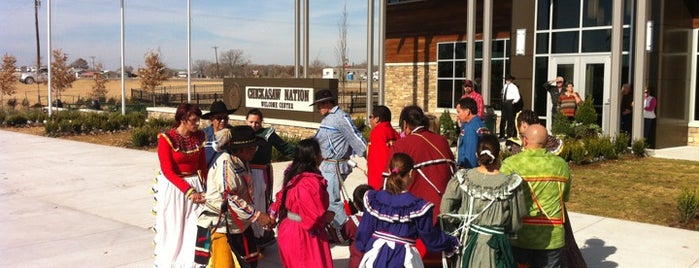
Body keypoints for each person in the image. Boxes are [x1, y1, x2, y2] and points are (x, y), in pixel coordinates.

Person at [355, 153, 460, 267]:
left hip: (376, 256)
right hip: (403, 259)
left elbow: (364, 232)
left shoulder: (375, 199)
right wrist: (452, 242)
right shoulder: (418, 206)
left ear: (389, 171)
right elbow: (430, 239)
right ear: (411, 173)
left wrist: (366, 249)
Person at [441, 133, 527, 268]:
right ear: (499, 155)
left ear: (477, 155)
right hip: (497, 246)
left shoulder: (463, 178)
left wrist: (456, 229)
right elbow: (516, 221)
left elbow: (445, 211)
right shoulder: (510, 184)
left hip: (469, 244)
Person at [194, 128, 275, 267]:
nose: (255, 150)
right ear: (239, 150)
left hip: (239, 224)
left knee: (247, 263)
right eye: (251, 147)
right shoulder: (226, 164)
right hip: (221, 225)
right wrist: (257, 216)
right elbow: (229, 197)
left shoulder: (242, 162)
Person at [387, 105, 456, 265]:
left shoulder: (402, 145)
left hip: (415, 219)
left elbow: (387, 183)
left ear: (405, 124)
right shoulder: (442, 141)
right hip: (443, 213)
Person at [501, 124, 572, 268]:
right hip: (552, 236)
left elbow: (502, 198)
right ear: (546, 143)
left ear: (525, 141)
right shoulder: (561, 165)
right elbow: (564, 197)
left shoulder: (510, 164)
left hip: (521, 235)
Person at [152, 102, 207, 267]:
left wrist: (207, 188)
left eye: (198, 120)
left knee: (196, 226)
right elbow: (167, 171)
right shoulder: (166, 139)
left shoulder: (199, 137)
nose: (197, 124)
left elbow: (202, 166)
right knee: (175, 229)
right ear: (183, 119)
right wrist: (189, 191)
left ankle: (191, 263)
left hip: (196, 186)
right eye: (194, 120)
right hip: (175, 188)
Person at [268, 138, 334, 268]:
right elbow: (313, 217)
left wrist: (272, 215)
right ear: (315, 157)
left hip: (288, 229)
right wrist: (326, 217)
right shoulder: (310, 183)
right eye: (320, 153)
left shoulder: (293, 174)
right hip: (303, 234)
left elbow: (280, 198)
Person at [312, 89, 368, 232]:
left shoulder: (341, 118)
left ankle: (346, 231)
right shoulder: (328, 118)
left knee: (332, 201)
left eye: (320, 104)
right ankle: (334, 229)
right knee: (325, 199)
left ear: (328, 103)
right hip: (325, 165)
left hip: (335, 166)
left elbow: (356, 139)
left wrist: (368, 155)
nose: (318, 108)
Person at [245, 108, 296, 247]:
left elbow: (284, 148)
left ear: (261, 122)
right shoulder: (242, 134)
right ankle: (249, 236)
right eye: (251, 122)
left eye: (257, 122)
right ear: (246, 121)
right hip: (245, 174)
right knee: (247, 204)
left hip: (262, 173)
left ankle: (261, 235)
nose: (254, 125)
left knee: (262, 203)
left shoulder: (267, 134)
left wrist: (303, 153)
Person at [367, 105, 399, 189]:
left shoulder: (377, 133)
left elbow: (381, 159)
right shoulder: (395, 133)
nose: (370, 120)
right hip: (394, 177)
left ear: (377, 119)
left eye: (371, 117)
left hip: (379, 181)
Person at [344, 184, 374, 268]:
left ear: (355, 204)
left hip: (358, 262)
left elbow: (341, 237)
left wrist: (330, 225)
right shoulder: (380, 219)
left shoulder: (353, 221)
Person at [456, 97, 488, 169]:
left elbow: (470, 156)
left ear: (467, 111)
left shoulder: (469, 128)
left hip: (471, 169)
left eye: (458, 112)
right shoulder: (480, 124)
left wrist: (468, 174)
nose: (457, 115)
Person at [202, 100, 237, 167]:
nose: (223, 121)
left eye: (225, 118)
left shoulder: (234, 133)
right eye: (219, 118)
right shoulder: (203, 135)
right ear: (212, 119)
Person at [499, 74, 521, 139]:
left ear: (511, 80)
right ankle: (502, 134)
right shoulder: (505, 86)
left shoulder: (514, 87)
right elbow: (503, 93)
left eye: (508, 79)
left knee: (510, 119)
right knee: (503, 119)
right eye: (506, 79)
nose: (507, 81)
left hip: (510, 102)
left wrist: (513, 102)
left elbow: (517, 96)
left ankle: (509, 135)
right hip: (504, 102)